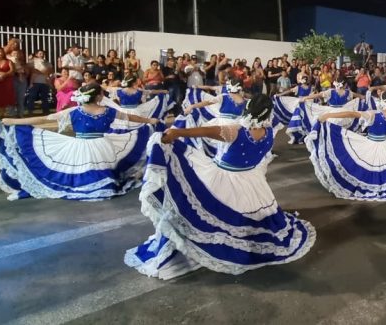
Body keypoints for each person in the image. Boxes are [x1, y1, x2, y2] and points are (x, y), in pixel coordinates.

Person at [125, 94, 315, 279]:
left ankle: (201, 249)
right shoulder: (270, 134)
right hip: (251, 180)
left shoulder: (236, 130)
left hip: (225, 177)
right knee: (245, 216)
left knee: (201, 211)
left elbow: (202, 132)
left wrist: (177, 132)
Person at [0, 82, 159, 200]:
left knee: (71, 172)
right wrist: (150, 121)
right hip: (102, 146)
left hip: (81, 146)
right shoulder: (108, 111)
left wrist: (13, 122)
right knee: (104, 170)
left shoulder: (73, 112)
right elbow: (131, 118)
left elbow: (44, 119)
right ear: (98, 97)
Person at [306, 90, 386, 201]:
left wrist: (328, 115)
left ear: (381, 101)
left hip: (371, 145)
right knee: (385, 170)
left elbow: (351, 113)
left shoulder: (373, 114)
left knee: (364, 168)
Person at [25, 50, 54, 116]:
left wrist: (40, 72)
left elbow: (50, 70)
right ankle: (30, 111)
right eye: (40, 53)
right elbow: (30, 70)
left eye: (43, 53)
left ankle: (46, 111)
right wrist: (43, 72)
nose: (42, 55)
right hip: (35, 82)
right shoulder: (32, 61)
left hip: (44, 82)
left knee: (45, 98)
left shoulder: (47, 62)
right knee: (32, 97)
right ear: (36, 54)